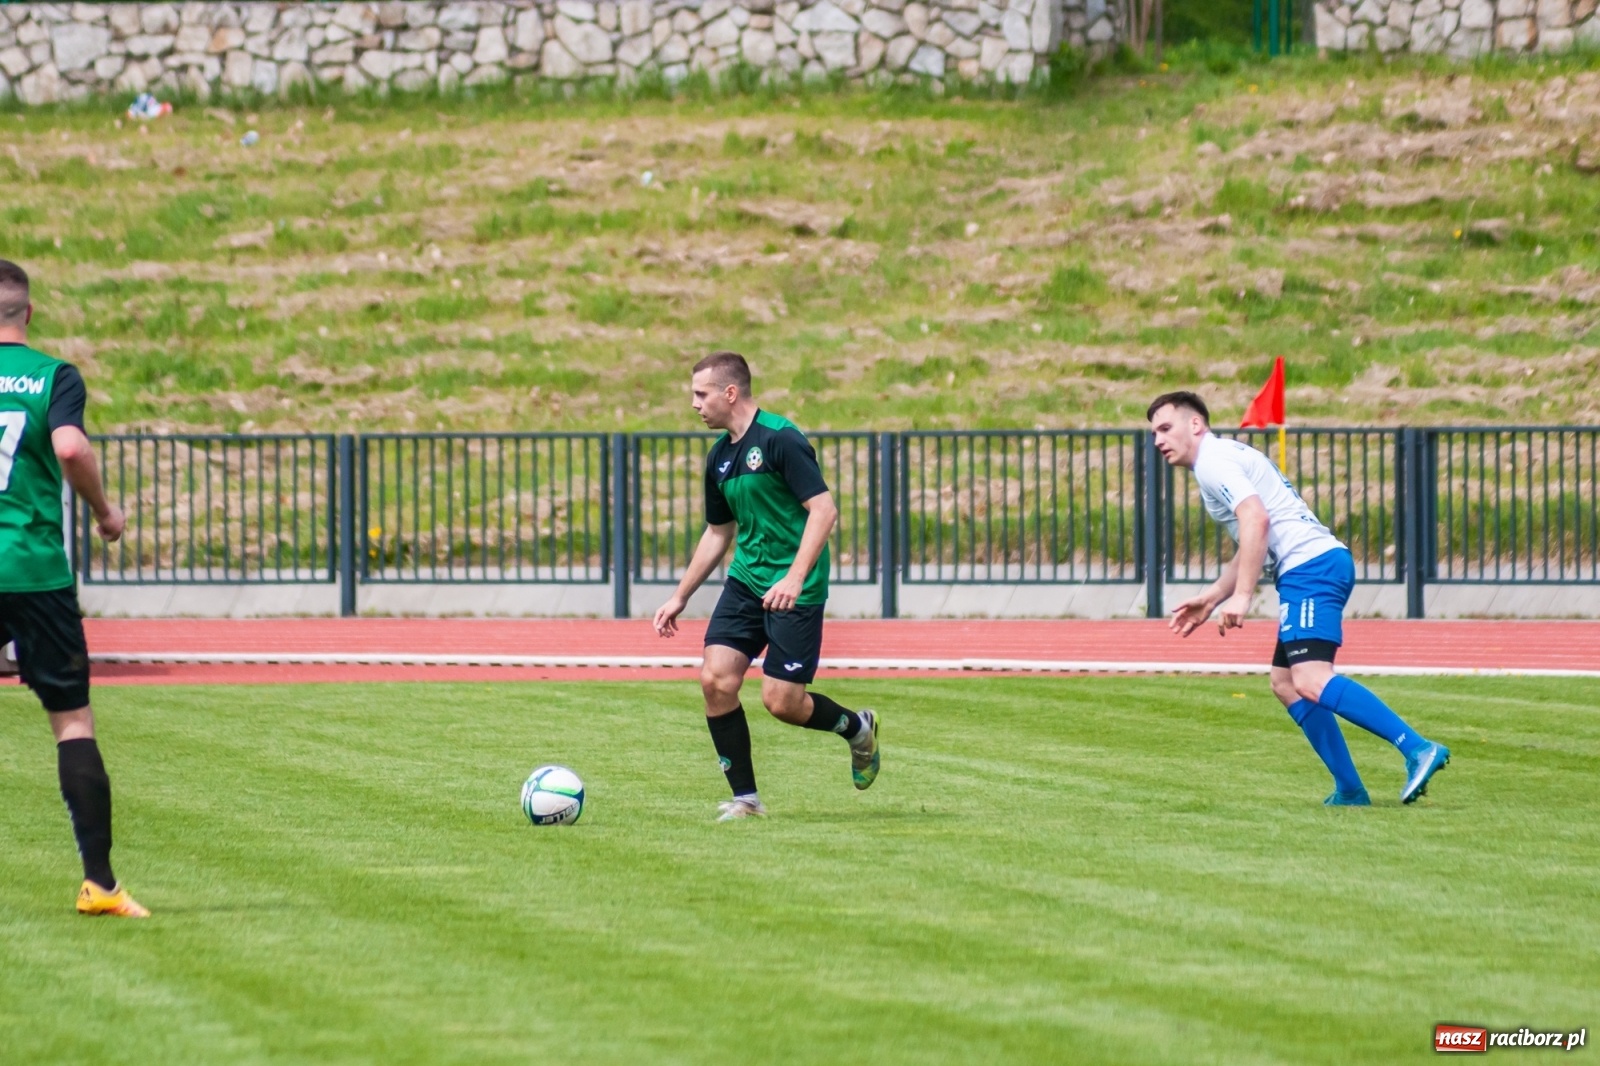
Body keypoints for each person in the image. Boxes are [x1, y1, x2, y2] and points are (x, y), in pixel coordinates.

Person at [1148, 390, 1449, 806]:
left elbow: (1257, 518)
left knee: (1311, 678)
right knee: (1287, 683)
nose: (1158, 440)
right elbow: (1253, 534)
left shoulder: (1214, 461)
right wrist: (1215, 596)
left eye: (1165, 428)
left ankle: (1417, 748)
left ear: (1195, 424)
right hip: (1311, 567)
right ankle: (1350, 790)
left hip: (1312, 568)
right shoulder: (1218, 462)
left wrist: (1243, 596)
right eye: (1154, 433)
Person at [653, 351, 879, 820]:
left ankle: (856, 728)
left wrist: (794, 578)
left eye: (701, 394)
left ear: (729, 393)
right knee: (715, 679)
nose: (695, 404)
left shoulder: (781, 439)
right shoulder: (719, 458)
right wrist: (681, 595)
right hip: (746, 581)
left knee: (781, 702)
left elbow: (824, 510)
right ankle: (746, 801)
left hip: (796, 587)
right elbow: (719, 533)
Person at [0, 260, 147, 916]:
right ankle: (101, 885)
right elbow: (69, 447)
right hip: (32, 569)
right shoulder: (52, 376)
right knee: (71, 723)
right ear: (26, 313)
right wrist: (104, 511)